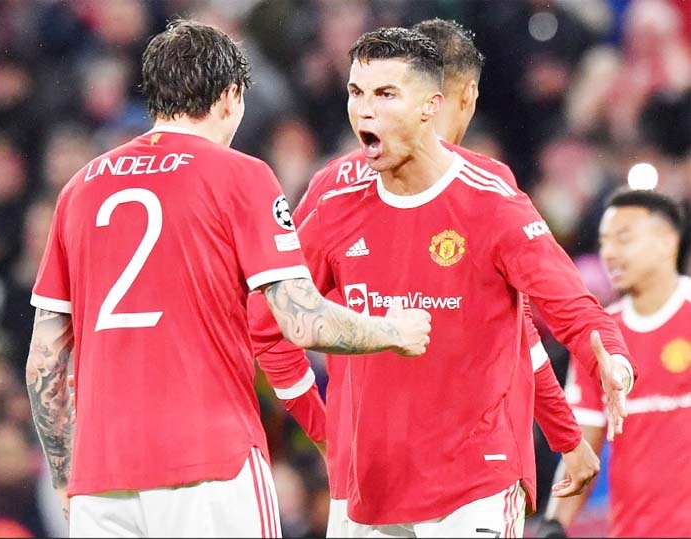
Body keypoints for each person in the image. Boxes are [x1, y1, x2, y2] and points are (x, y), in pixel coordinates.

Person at [24, 19, 433, 539]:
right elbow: (303, 323)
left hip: (101, 476)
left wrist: (65, 475)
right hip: (209, 462)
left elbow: (45, 361)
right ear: (230, 96)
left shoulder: (79, 190)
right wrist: (392, 330)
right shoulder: (239, 175)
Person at [252, 27, 636, 538]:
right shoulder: (333, 196)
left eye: (386, 95)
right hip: (366, 486)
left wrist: (608, 354)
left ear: (431, 106)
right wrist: (326, 435)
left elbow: (565, 305)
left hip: (471, 485)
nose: (365, 111)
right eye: (356, 93)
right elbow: (268, 322)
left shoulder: (490, 200)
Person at [542, 188, 691, 538]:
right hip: (629, 530)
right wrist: (554, 525)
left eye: (624, 239)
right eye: (605, 241)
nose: (610, 253)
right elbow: (582, 447)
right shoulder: (600, 335)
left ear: (667, 241)